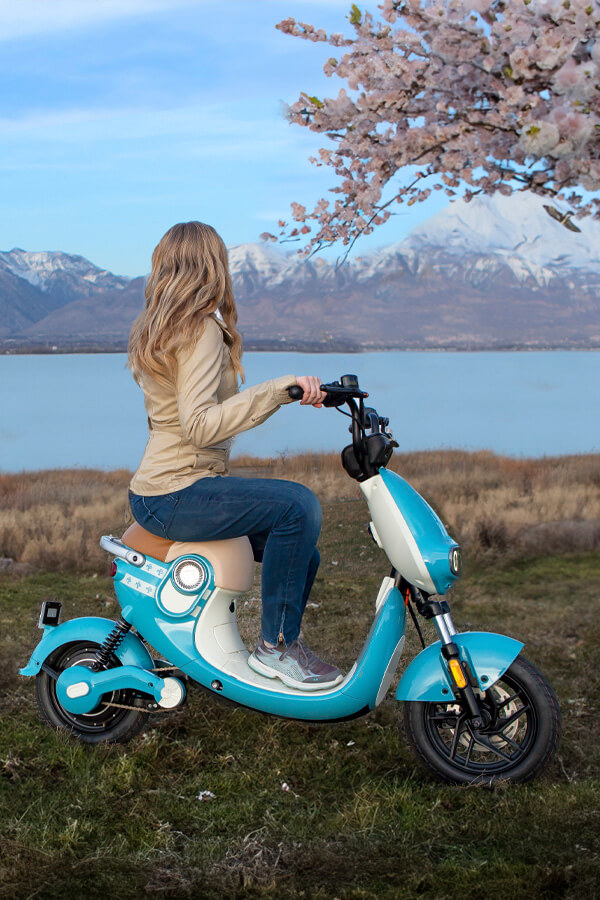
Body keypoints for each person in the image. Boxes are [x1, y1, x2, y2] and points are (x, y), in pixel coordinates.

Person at [127, 221, 342, 691]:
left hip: (162, 491)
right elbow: (200, 425)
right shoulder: (199, 328)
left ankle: (280, 646)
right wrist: (276, 391)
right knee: (296, 505)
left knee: (303, 552)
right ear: (212, 266)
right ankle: (277, 647)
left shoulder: (163, 329)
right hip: (175, 492)